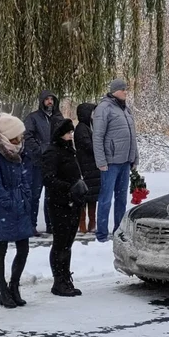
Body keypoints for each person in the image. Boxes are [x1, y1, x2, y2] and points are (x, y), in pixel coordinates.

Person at [0, 115, 33, 308]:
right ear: (8, 136)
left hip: (19, 202)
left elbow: (24, 177)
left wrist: (26, 197)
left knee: (23, 248)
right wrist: (9, 203)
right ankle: (3, 290)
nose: (21, 140)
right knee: (1, 248)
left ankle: (14, 285)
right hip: (2, 207)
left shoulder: (17, 152)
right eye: (17, 136)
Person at [92, 79, 138, 244]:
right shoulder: (104, 108)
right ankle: (101, 234)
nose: (126, 92)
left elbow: (132, 136)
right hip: (110, 162)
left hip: (125, 161)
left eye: (126, 89)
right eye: (123, 89)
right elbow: (97, 136)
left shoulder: (125, 110)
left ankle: (119, 230)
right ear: (115, 91)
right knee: (105, 198)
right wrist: (101, 161)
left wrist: (134, 158)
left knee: (121, 198)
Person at [42, 120, 85, 297]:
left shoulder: (69, 150)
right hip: (59, 203)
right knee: (60, 244)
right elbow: (48, 178)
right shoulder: (52, 152)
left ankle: (65, 277)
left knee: (67, 243)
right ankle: (58, 280)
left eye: (71, 133)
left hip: (72, 202)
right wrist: (68, 187)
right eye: (67, 133)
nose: (70, 136)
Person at [24, 91, 64, 235]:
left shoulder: (59, 118)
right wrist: (40, 150)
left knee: (52, 195)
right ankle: (31, 225)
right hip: (37, 162)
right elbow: (27, 136)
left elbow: (64, 136)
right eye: (47, 99)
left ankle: (51, 224)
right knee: (35, 194)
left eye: (52, 99)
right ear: (42, 101)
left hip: (55, 162)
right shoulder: (33, 118)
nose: (49, 102)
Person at [73, 103, 102, 234]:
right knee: (84, 196)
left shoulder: (91, 126)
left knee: (92, 196)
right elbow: (88, 146)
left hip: (92, 167)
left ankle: (92, 223)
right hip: (85, 166)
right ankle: (83, 225)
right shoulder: (81, 128)